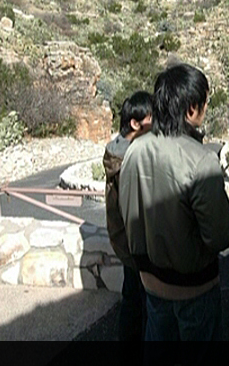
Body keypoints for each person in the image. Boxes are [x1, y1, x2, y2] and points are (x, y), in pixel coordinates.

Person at [119, 63, 229, 355]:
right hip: (195, 289)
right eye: (206, 103)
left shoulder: (135, 150)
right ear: (192, 108)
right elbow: (220, 236)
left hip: (151, 284)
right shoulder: (201, 161)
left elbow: (129, 218)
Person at [103, 91, 153, 342]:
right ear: (135, 123)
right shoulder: (127, 161)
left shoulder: (118, 152)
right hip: (135, 246)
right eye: (151, 119)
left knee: (132, 298)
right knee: (140, 305)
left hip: (125, 242)